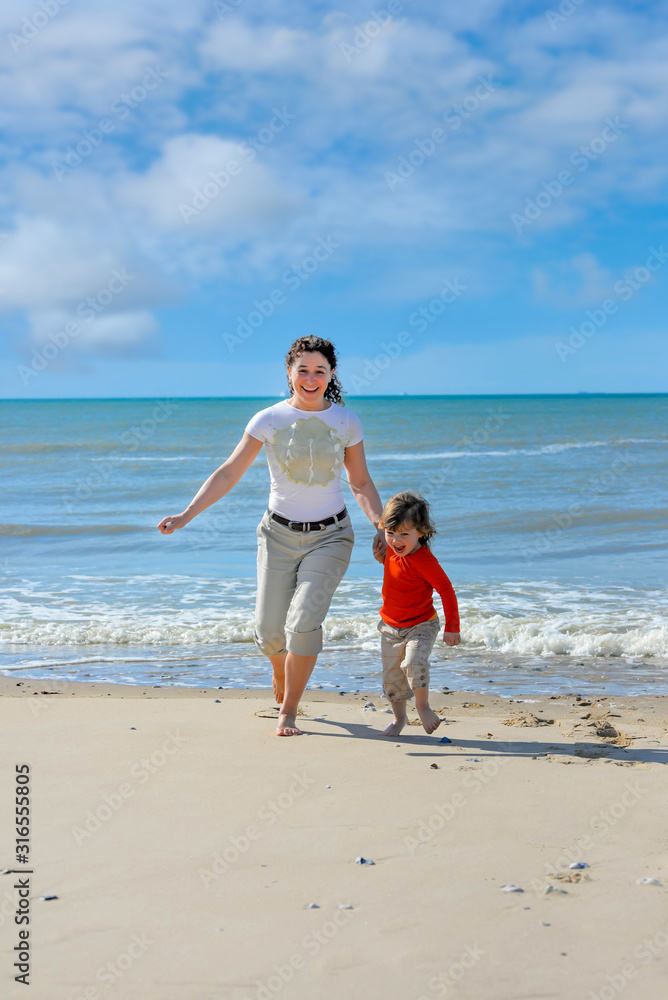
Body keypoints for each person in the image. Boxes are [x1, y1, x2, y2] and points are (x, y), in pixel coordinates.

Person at [157, 336, 385, 736]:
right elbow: (230, 471)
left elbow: (361, 482)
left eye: (319, 371)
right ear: (289, 372)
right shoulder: (268, 419)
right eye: (303, 370)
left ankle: (289, 711)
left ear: (331, 374)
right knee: (268, 634)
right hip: (277, 534)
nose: (311, 379)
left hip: (331, 536)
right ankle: (280, 667)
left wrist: (382, 526)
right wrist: (187, 514)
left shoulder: (347, 422)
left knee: (303, 622)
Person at [376, 491, 460, 737]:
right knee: (392, 678)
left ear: (421, 531)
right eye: (390, 532)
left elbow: (446, 591)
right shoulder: (391, 549)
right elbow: (398, 572)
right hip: (390, 627)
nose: (396, 540)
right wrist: (381, 554)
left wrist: (452, 627)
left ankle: (423, 707)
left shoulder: (425, 561)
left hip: (421, 625)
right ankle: (399, 719)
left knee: (413, 663)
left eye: (404, 534)